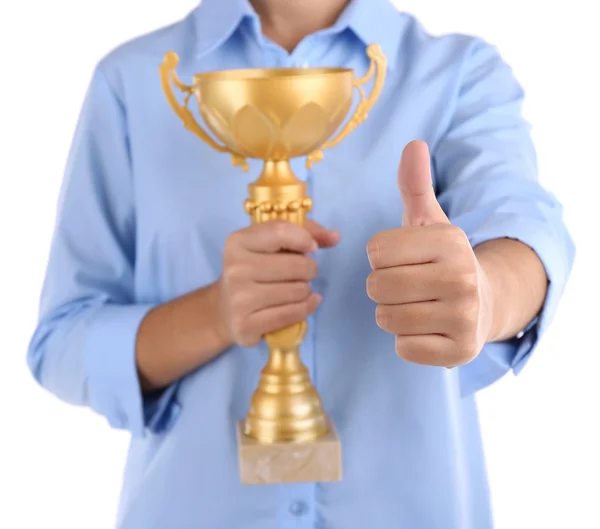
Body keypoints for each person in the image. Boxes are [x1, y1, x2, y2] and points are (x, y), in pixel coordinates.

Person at [27, 0, 575, 527]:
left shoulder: (459, 74)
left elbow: (523, 220)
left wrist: (484, 293)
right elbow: (61, 342)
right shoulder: (133, 82)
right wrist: (214, 315)